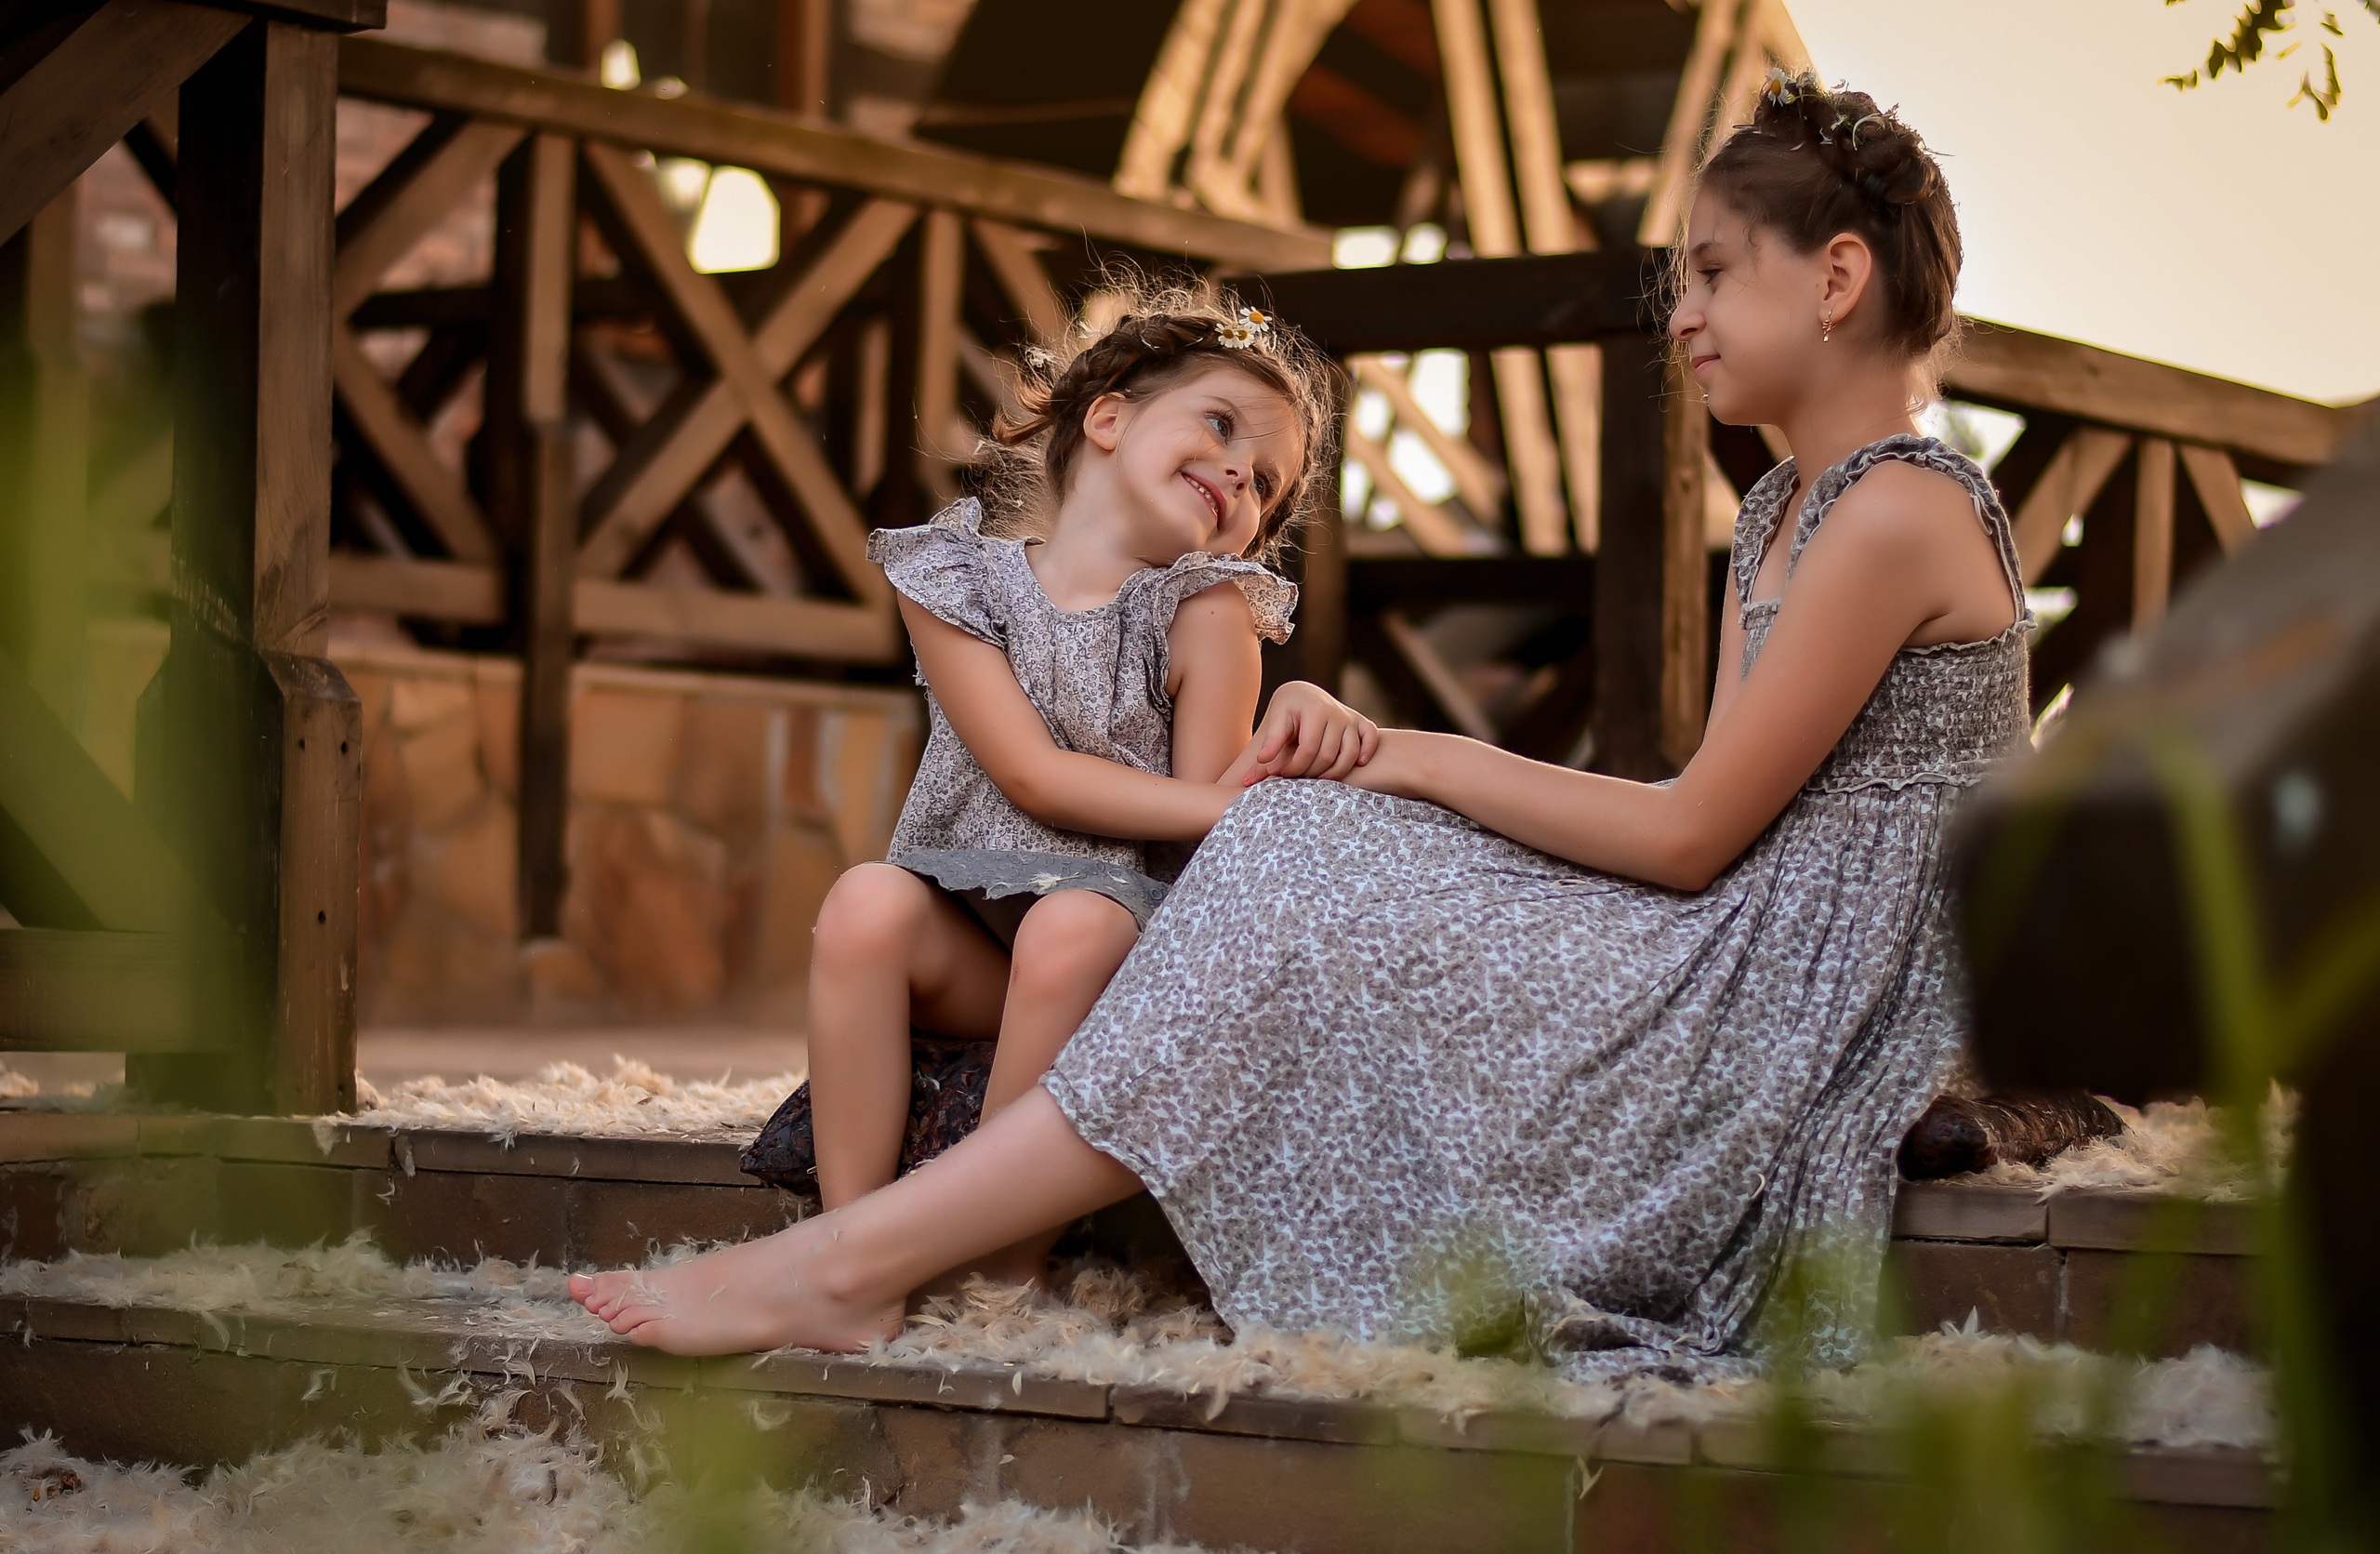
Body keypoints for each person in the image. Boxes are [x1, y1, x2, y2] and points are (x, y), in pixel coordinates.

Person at [573, 73, 2028, 1376]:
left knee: (1316, 840)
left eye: (1712, 270)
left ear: (1837, 277)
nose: (1684, 311)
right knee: (1313, 837)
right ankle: (878, 1243)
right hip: (1760, 917)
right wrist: (1378, 769)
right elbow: (1708, 814)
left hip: (1834, 970)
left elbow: (1693, 833)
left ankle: (852, 1256)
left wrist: (1399, 755)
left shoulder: (1901, 508)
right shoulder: (1783, 507)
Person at [759, 281, 1373, 1284]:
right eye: (1219, 425)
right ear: (1108, 417)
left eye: (1264, 481)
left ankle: (994, 1261)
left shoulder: (1206, 614)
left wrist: (1276, 748)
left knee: (1074, 922)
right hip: (971, 946)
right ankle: (847, 1252)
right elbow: (1029, 775)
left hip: (1106, 961)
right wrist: (1224, 802)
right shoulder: (957, 581)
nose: (1236, 470)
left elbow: (1198, 836)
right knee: (863, 900)